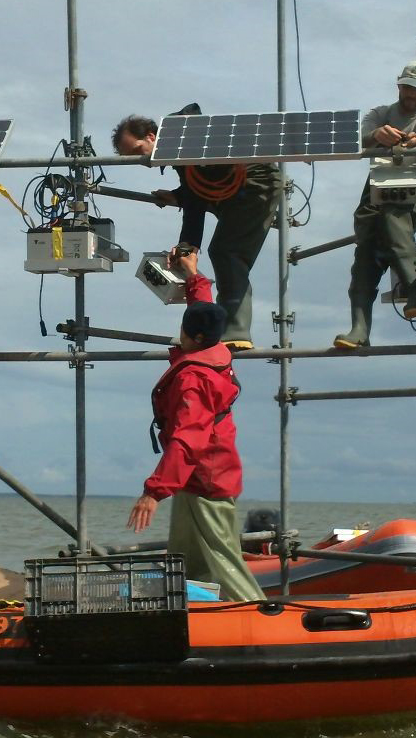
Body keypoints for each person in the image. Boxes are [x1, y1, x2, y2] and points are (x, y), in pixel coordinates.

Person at [127, 248, 265, 602]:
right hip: (193, 479)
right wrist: (193, 274)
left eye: (185, 331)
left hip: (208, 477)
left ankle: (259, 613)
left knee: (225, 561)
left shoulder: (194, 380)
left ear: (196, 338)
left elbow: (188, 440)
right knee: (187, 561)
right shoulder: (212, 346)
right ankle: (202, 611)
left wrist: (154, 492)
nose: (181, 333)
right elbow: (202, 307)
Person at [113, 110, 281, 351]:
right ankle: (233, 326)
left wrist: (187, 245)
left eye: (139, 151)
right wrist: (179, 195)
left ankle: (236, 329)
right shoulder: (181, 143)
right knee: (226, 251)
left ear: (151, 137)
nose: (143, 162)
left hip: (254, 184)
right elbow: (200, 183)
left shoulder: (184, 139)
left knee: (227, 251)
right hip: (235, 189)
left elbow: (197, 197)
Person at [334, 62, 416, 349]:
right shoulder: (380, 114)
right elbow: (353, 141)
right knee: (365, 254)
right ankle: (359, 330)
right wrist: (376, 136)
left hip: (415, 195)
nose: (411, 94)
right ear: (398, 86)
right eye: (406, 87)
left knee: (392, 216)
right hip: (378, 190)